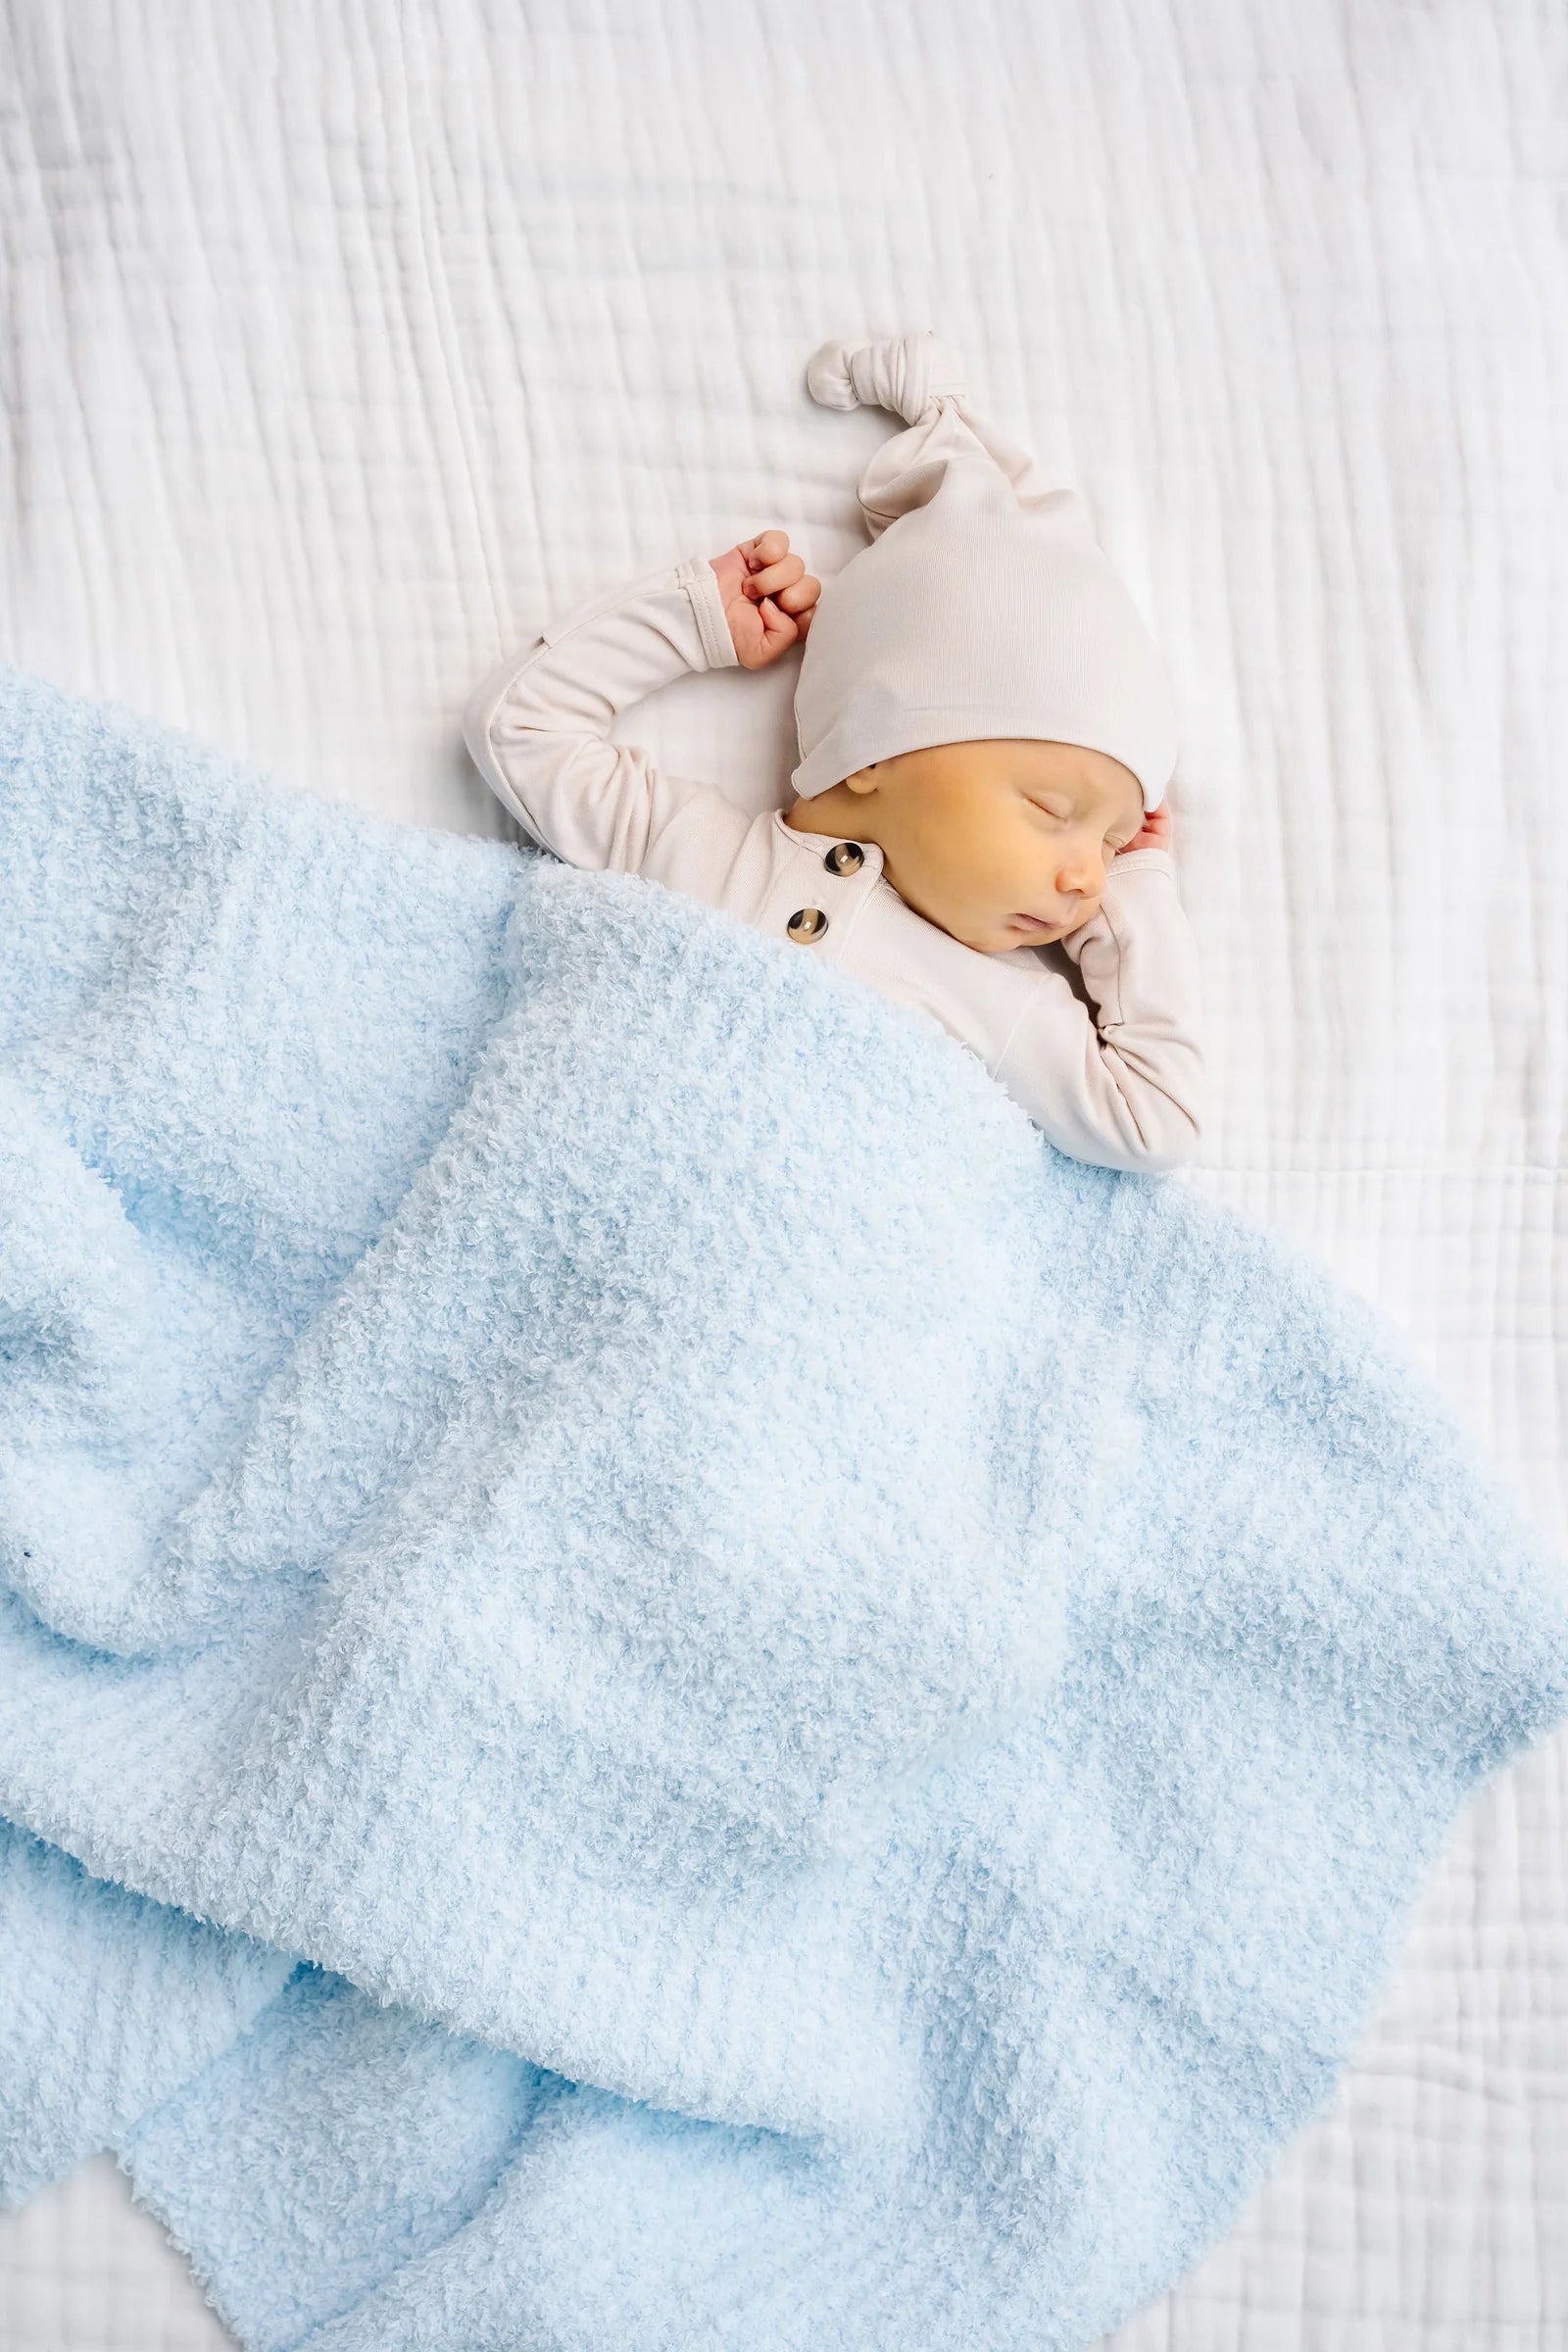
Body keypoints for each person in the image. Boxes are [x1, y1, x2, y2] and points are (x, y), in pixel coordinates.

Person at [463, 332, 1202, 1171]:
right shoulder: (694, 850)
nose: (1086, 878)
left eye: (1107, 845)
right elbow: (518, 729)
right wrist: (692, 622)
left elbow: (1155, 1122)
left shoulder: (1000, 1005)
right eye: (1052, 812)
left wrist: (1137, 893)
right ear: (873, 749)